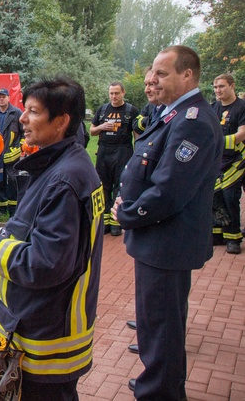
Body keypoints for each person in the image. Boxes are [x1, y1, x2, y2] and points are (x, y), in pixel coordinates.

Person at [0, 76, 103, 400]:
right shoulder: (63, 165)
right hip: (41, 326)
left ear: (61, 122)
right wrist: (2, 235)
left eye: (33, 111)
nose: (22, 118)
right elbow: (33, 228)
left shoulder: (64, 179)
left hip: (42, 338)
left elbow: (44, 264)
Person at [112, 46, 222, 399]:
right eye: (152, 74)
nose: (151, 80)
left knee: (161, 327)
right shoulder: (173, 114)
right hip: (159, 241)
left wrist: (127, 214)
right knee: (159, 323)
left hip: (166, 242)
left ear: (187, 74)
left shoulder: (193, 122)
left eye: (161, 73)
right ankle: (159, 380)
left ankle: (160, 391)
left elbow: (170, 191)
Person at [90, 82, 140, 236]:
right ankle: (104, 223)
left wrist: (136, 155)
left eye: (117, 93)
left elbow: (137, 136)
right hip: (104, 150)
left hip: (123, 150)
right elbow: (92, 131)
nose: (114, 96)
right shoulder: (103, 110)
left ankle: (115, 222)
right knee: (103, 185)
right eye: (111, 93)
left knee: (120, 186)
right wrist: (101, 127)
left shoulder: (131, 111)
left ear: (123, 93)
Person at [211, 73, 245, 254]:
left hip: (237, 159)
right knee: (214, 196)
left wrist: (217, 142)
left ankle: (233, 237)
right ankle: (217, 233)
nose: (218, 91)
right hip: (217, 160)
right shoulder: (213, 107)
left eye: (222, 87)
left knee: (230, 196)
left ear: (232, 86)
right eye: (216, 87)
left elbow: (242, 134)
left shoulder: (241, 107)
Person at [0, 88, 24, 217]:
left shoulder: (16, 113)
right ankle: (2, 209)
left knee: (12, 180)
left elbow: (24, 132)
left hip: (12, 154)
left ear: (8, 98)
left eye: (3, 96)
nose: (1, 98)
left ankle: (13, 209)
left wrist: (20, 146)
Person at [132, 67, 162, 135]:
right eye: (146, 85)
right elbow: (135, 124)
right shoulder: (150, 106)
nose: (146, 90)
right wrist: (149, 120)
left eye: (151, 84)